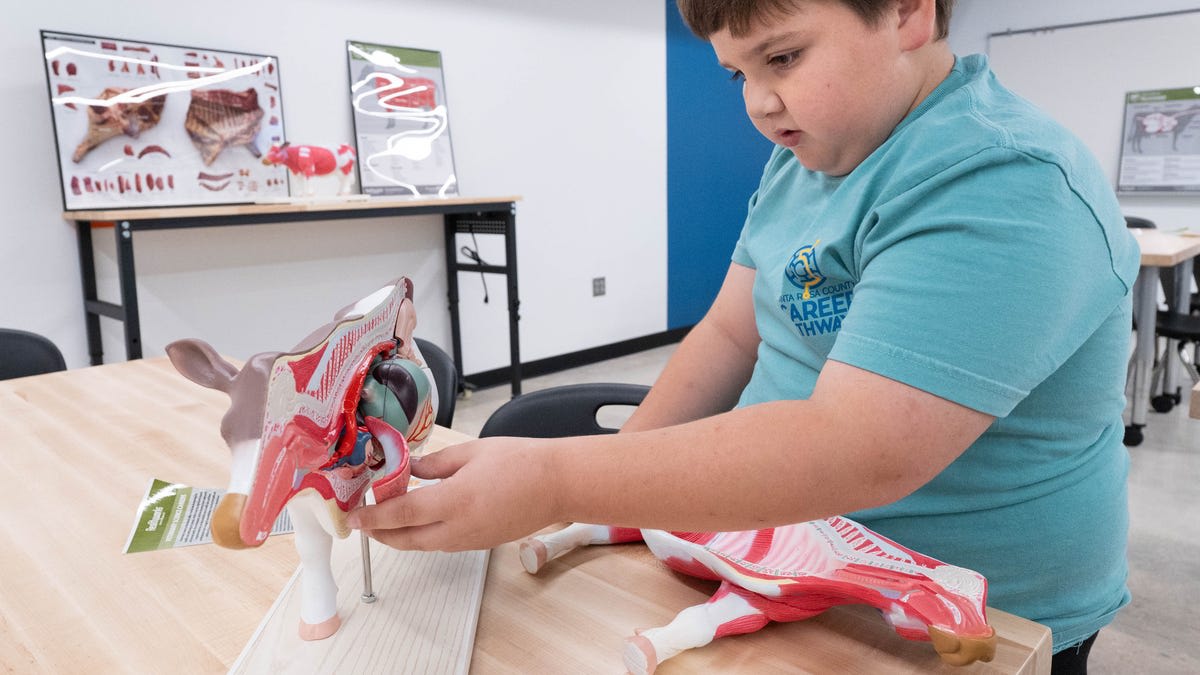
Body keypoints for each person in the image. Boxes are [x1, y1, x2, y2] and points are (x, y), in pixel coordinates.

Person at [348, 1, 1135, 671]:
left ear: (908, 11)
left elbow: (858, 448)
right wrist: (612, 477)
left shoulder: (1008, 180)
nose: (758, 103)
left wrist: (560, 479)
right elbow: (730, 334)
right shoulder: (806, 156)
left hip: (949, 609)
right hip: (776, 546)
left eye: (783, 58)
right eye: (738, 74)